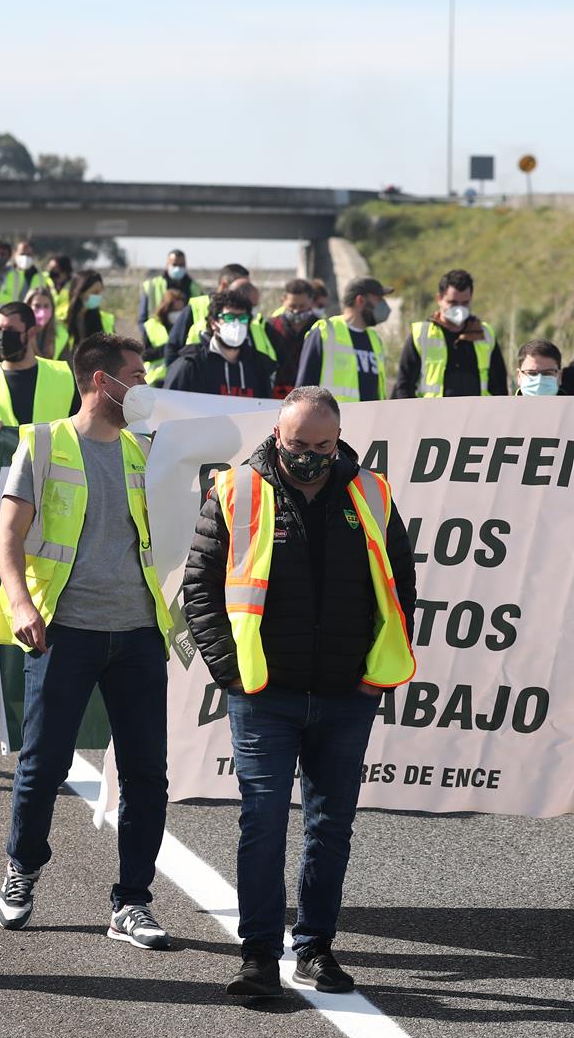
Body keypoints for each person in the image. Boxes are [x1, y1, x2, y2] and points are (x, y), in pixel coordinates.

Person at [182, 387, 418, 997]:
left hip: (345, 694)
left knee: (330, 824)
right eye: (298, 445)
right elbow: (200, 588)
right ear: (276, 436)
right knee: (262, 822)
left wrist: (372, 673)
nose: (311, 455)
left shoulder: (371, 493)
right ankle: (258, 954)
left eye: (323, 445)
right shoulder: (235, 491)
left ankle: (315, 947)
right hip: (264, 692)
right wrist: (228, 672)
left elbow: (400, 588)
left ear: (338, 440)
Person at [0, 334, 174, 950]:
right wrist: (20, 603)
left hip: (139, 633)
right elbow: (7, 537)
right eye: (137, 374)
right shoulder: (41, 443)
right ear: (102, 381)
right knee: (43, 763)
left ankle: (132, 901)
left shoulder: (143, 451)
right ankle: (23, 868)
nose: (144, 385)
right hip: (65, 630)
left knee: (148, 772)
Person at [0, 301, 77, 636]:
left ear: (31, 332)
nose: (0, 337)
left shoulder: (62, 375)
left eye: (9, 331)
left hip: (55, 480)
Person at [394, 268, 507, 398]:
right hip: (433, 415)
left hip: (477, 415)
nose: (459, 308)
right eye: (452, 303)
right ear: (439, 299)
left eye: (465, 303)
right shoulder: (421, 335)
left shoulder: (485, 334)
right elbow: (403, 385)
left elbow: (499, 385)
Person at [297, 277, 394, 404]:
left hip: (369, 420)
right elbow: (303, 389)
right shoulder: (325, 332)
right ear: (360, 300)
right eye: (379, 299)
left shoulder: (375, 339)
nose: (383, 305)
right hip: (332, 421)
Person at [164, 288, 276, 398]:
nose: (236, 324)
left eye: (242, 318)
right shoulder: (191, 365)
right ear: (213, 323)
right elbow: (170, 407)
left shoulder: (258, 366)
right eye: (229, 317)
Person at [262, 278, 320, 397]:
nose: (296, 311)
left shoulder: (319, 328)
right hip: (276, 394)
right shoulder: (270, 326)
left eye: (302, 306)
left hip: (310, 395)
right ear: (283, 301)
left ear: (311, 301)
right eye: (292, 306)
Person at [138, 249, 199, 330]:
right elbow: (142, 318)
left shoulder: (195, 288)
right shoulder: (151, 286)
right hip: (157, 337)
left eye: (181, 265)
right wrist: (147, 335)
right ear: (167, 265)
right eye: (174, 264)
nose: (178, 268)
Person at [60, 269, 115, 344]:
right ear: (80, 293)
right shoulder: (60, 319)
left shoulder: (106, 320)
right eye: (95, 292)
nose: (99, 296)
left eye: (100, 292)